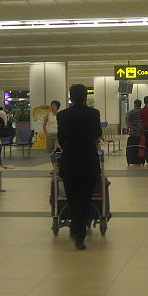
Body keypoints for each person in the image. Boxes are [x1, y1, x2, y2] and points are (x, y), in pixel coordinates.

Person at [57, 84, 102, 251]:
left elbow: (61, 139)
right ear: (85, 97)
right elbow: (97, 133)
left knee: (72, 197)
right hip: (88, 159)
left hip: (69, 159)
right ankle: (79, 233)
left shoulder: (62, 115)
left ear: (70, 97)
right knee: (85, 198)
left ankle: (75, 228)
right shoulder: (93, 113)